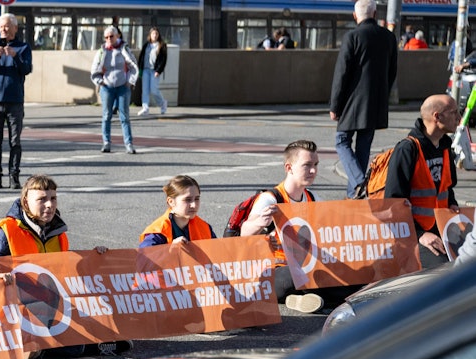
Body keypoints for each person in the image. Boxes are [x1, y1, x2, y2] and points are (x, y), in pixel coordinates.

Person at [0, 175, 122, 359]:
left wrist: (94, 257)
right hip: (15, 307)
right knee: (75, 346)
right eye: (41, 199)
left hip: (46, 303)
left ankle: (56, 346)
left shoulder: (57, 233)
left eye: (53, 198)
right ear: (26, 202)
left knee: (95, 317)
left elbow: (66, 269)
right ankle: (37, 350)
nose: (49, 205)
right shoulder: (7, 231)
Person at [235, 140, 326, 313]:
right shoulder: (271, 198)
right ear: (289, 168)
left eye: (315, 165)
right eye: (307, 165)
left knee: (351, 278)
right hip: (274, 270)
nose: (313, 171)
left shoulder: (314, 198)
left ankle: (296, 299)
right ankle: (306, 295)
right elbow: (244, 232)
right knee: (299, 276)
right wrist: (259, 223)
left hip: (304, 266)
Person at [329, 0, 398, 198]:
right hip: (375, 102)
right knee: (363, 146)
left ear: (354, 16)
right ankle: (354, 194)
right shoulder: (388, 37)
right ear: (375, 14)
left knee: (341, 141)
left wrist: (335, 105)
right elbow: (392, 72)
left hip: (352, 102)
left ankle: (360, 182)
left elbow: (341, 73)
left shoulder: (352, 36)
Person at [384, 93, 460, 268]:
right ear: (437, 117)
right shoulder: (407, 149)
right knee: (444, 271)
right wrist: (419, 234)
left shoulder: (445, 146)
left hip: (443, 231)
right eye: (454, 112)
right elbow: (392, 203)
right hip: (415, 236)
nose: (459, 117)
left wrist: (453, 204)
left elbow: (447, 187)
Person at [0, 13, 33, 189]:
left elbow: (27, 69)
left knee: (15, 142)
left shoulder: (23, 47)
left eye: (6, 26)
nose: (3, 30)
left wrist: (15, 56)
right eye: (1, 27)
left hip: (15, 101)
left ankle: (14, 176)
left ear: (15, 28)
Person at [91, 26, 138, 155]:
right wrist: (100, 81)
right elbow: (94, 69)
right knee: (106, 116)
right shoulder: (102, 51)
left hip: (123, 86)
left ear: (117, 36)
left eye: (111, 36)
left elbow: (133, 66)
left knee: (124, 117)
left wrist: (130, 81)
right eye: (106, 37)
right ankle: (106, 142)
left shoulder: (124, 49)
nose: (109, 39)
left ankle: (128, 144)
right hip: (107, 87)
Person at [139, 175, 217, 247]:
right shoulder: (158, 231)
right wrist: (170, 249)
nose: (194, 205)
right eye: (187, 200)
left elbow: (219, 256)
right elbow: (144, 258)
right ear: (171, 202)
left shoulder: (204, 227)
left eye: (197, 199)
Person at [137, 27, 168, 116]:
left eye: (156, 34)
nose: (154, 35)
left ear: (158, 35)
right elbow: (141, 57)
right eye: (153, 34)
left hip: (154, 70)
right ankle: (145, 107)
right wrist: (140, 69)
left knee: (154, 89)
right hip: (146, 69)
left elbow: (163, 59)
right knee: (145, 90)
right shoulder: (146, 45)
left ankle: (162, 103)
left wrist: (159, 70)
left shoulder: (161, 45)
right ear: (150, 35)